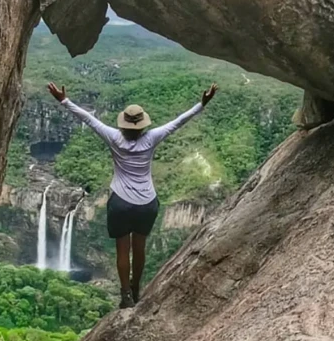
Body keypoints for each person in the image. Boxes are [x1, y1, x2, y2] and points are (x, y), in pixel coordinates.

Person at [47, 81, 218, 309]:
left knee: (122, 250)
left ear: (124, 125)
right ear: (142, 126)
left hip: (120, 204)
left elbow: (88, 118)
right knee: (139, 249)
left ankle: (125, 294)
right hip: (147, 204)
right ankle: (136, 287)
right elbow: (178, 122)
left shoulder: (114, 138)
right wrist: (201, 104)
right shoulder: (152, 138)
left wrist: (63, 100)